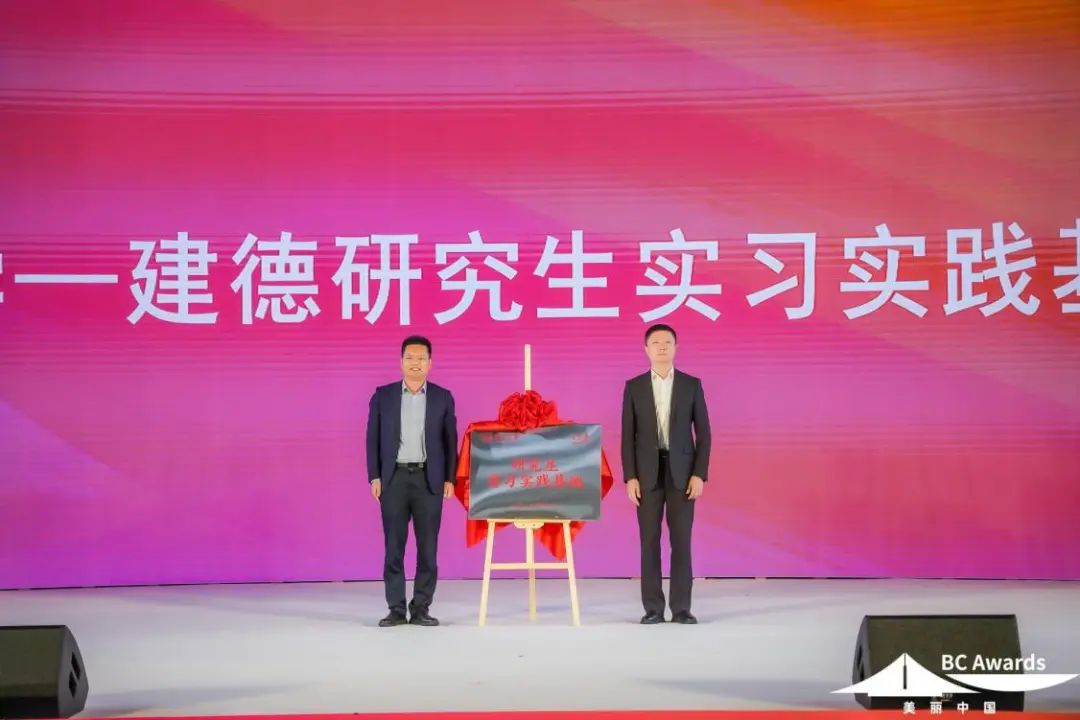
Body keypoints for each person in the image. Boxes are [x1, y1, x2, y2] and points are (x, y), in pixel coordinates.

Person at [621, 323, 711, 624]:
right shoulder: (634, 387)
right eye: (656, 343)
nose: (661, 347)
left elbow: (704, 434)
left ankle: (682, 609)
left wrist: (699, 474)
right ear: (646, 349)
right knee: (649, 542)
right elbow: (627, 436)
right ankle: (653, 609)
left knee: (681, 542)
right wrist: (630, 477)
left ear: (675, 347)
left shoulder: (691, 385)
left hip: (682, 475)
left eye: (667, 342)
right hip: (646, 474)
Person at [367, 335, 457, 627]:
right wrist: (375, 476)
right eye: (409, 358)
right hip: (393, 480)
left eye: (421, 358)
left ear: (430, 363)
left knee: (428, 549)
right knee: (394, 547)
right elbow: (372, 438)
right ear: (401, 361)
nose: (415, 363)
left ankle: (421, 609)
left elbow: (450, 440)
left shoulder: (443, 397)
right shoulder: (383, 396)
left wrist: (450, 478)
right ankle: (395, 609)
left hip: (429, 481)